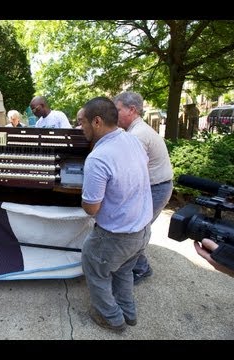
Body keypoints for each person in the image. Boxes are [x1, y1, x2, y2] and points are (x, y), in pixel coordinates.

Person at [78, 97, 153, 332]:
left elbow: (92, 208)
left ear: (97, 121)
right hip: (142, 230)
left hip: (115, 235)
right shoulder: (132, 140)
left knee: (95, 270)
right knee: (123, 272)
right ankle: (129, 314)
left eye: (82, 123)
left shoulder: (98, 157)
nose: (81, 128)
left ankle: (112, 319)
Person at [113, 91, 174, 285]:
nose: (115, 115)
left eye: (118, 110)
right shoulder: (135, 130)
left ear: (132, 110)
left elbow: (128, 172)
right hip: (156, 186)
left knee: (135, 231)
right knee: (136, 230)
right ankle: (139, 265)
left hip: (156, 188)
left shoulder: (137, 135)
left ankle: (141, 268)